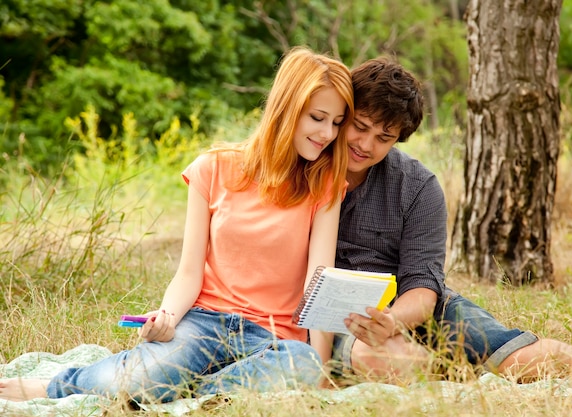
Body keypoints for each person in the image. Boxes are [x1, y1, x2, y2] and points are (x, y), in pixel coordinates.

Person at [0, 46, 353, 403]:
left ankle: (186, 391)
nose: (328, 133)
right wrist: (167, 317)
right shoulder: (212, 168)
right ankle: (55, 387)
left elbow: (317, 288)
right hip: (204, 324)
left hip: (272, 338)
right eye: (317, 117)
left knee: (302, 365)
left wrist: (319, 369)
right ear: (287, 108)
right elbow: (189, 272)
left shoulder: (325, 187)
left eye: (337, 123)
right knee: (147, 374)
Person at [322, 57, 572, 384]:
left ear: (399, 137)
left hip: (404, 306)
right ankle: (452, 374)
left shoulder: (416, 186)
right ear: (344, 115)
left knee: (523, 360)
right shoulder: (308, 165)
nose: (366, 145)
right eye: (361, 127)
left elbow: (423, 287)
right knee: (385, 360)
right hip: (336, 315)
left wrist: (392, 320)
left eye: (384, 137)